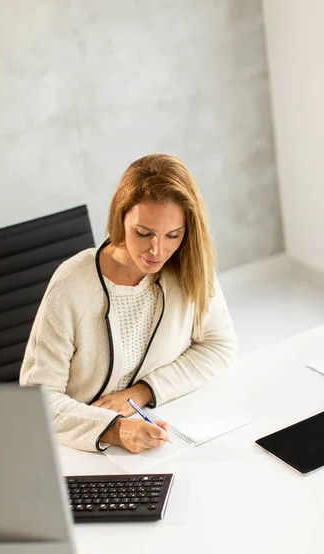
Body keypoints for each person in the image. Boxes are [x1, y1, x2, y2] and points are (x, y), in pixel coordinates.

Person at [20, 154, 237, 454]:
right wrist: (114, 429)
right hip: (77, 444)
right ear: (120, 218)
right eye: (143, 233)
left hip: (156, 431)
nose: (157, 250)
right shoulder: (71, 284)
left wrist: (145, 391)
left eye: (173, 234)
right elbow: (38, 399)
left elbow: (218, 345)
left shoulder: (189, 265)